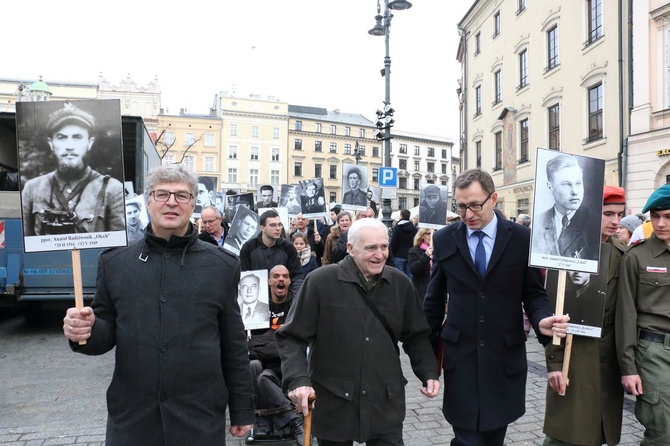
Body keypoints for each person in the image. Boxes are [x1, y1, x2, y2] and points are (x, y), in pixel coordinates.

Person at [62, 164, 254, 444]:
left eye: (182, 195)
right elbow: (105, 333)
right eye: (162, 194)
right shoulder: (115, 262)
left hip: (198, 417)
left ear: (193, 204)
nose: (172, 202)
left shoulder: (222, 265)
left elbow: (234, 343)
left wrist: (242, 408)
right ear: (148, 201)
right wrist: (85, 330)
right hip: (132, 418)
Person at [422, 168, 569, 446]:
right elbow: (432, 302)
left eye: (475, 205)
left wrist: (541, 321)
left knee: (492, 437)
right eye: (461, 206)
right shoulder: (444, 239)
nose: (468, 214)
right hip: (460, 358)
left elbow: (534, 294)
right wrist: (427, 364)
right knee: (467, 439)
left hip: (503, 358)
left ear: (494, 199)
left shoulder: (522, 238)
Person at [276, 218, 441, 445]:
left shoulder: (400, 284)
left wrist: (429, 372)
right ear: (351, 249)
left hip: (385, 401)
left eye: (384, 246)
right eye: (371, 247)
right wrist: (298, 379)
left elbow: (417, 336)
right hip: (334, 403)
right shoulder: (320, 282)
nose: (380, 254)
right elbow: (292, 337)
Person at [616, 183, 670, 445]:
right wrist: (629, 368)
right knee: (662, 433)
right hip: (654, 351)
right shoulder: (636, 257)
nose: (660, 223)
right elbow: (625, 315)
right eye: (655, 216)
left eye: (668, 216)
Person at [22, 101, 125, 236]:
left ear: (90, 143)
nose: (69, 146)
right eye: (62, 137)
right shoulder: (32, 188)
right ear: (51, 144)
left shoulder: (112, 189)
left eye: (77, 137)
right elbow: (25, 239)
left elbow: (116, 247)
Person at [248, 265, 305, 444]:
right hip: (266, 364)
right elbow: (251, 342)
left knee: (264, 376)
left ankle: (286, 418)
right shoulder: (259, 304)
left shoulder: (296, 304)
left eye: (285, 276)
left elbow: (299, 336)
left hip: (289, 363)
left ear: (289, 281)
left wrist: (267, 342)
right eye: (276, 276)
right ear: (269, 281)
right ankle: (265, 419)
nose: (281, 279)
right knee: (254, 367)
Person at [532, 154, 600, 260]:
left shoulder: (595, 223)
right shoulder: (538, 222)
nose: (574, 192)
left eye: (578, 183)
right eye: (566, 184)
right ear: (550, 188)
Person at [239, 209, 304, 296]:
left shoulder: (288, 248)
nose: (277, 228)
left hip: (283, 299)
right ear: (262, 228)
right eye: (273, 225)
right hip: (258, 298)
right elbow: (243, 276)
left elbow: (297, 276)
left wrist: (295, 296)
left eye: (279, 225)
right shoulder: (249, 247)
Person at [407, 228, 433, 302]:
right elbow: (414, 270)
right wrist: (426, 256)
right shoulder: (414, 251)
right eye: (428, 233)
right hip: (421, 293)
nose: (431, 236)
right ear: (421, 236)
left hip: (436, 292)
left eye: (433, 233)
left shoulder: (438, 250)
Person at [390, 209, 417, 279]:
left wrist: (391, 253)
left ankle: (398, 289)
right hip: (409, 255)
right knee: (409, 277)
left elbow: (393, 242)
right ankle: (408, 289)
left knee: (397, 277)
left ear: (401, 216)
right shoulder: (414, 228)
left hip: (398, 255)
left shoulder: (398, 227)